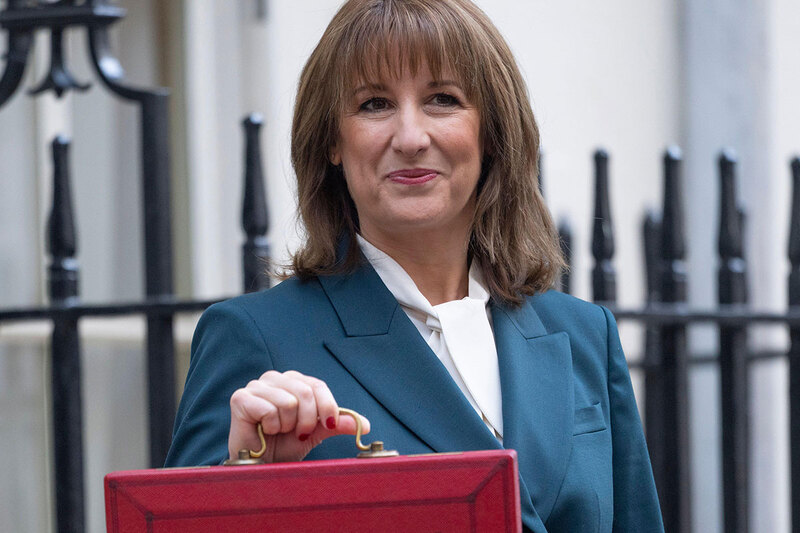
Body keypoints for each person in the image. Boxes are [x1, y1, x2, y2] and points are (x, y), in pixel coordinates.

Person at [165, 0, 664, 531]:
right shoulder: (255, 337)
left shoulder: (584, 334)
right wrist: (246, 475)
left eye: (442, 100)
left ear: (490, 131)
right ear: (333, 140)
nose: (409, 137)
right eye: (375, 104)